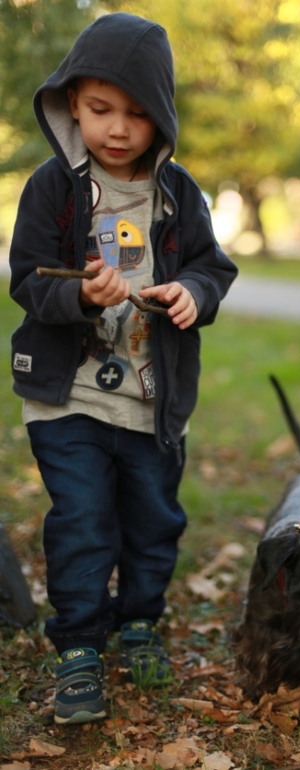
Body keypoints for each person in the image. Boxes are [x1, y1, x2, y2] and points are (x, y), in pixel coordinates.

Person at [9, 12, 237, 725]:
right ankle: (79, 644)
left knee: (151, 520)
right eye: (101, 109)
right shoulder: (53, 187)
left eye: (138, 114)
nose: (117, 128)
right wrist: (78, 294)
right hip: (68, 398)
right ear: (72, 103)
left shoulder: (179, 193)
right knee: (82, 519)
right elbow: (27, 279)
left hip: (151, 398)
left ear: (161, 116)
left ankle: (138, 621)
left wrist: (192, 293)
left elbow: (212, 268)